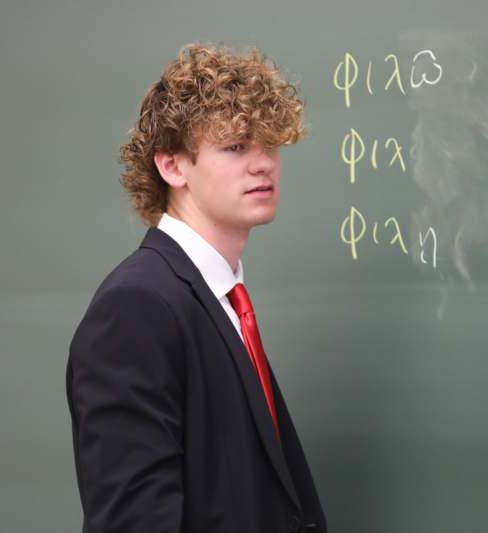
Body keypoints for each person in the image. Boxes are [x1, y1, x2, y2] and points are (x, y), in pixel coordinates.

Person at [65, 42, 327, 533]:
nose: (262, 163)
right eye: (234, 146)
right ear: (171, 165)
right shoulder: (137, 306)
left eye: (269, 144)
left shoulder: (221, 299)